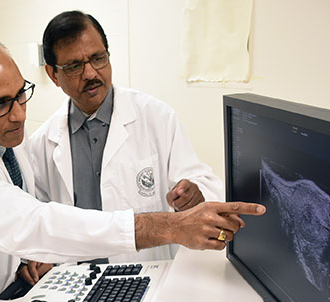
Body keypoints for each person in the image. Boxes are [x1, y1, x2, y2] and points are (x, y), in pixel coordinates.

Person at [0, 36, 265, 302]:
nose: (18, 114)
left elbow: (21, 216)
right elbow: (32, 221)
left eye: (20, 95)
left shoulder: (7, 142)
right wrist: (170, 227)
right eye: (0, 104)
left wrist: (32, 255)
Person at [29, 10, 223, 263]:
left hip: (146, 270)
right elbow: (37, 219)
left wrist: (194, 197)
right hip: (75, 280)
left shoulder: (156, 117)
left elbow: (202, 182)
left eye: (98, 58)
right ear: (53, 74)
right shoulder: (41, 143)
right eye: (75, 66)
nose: (90, 74)